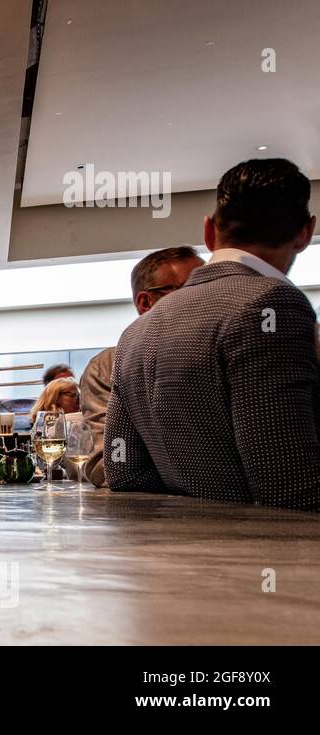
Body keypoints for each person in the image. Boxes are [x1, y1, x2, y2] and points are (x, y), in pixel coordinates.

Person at [105, 158, 320, 510]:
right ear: (304, 233)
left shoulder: (134, 334)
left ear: (209, 232)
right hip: (277, 556)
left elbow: (124, 473)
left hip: (194, 555)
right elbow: (290, 485)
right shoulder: (273, 303)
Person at [79, 246, 204, 486]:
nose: (204, 299)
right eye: (188, 290)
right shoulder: (108, 366)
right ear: (146, 302)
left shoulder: (233, 346)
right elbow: (106, 465)